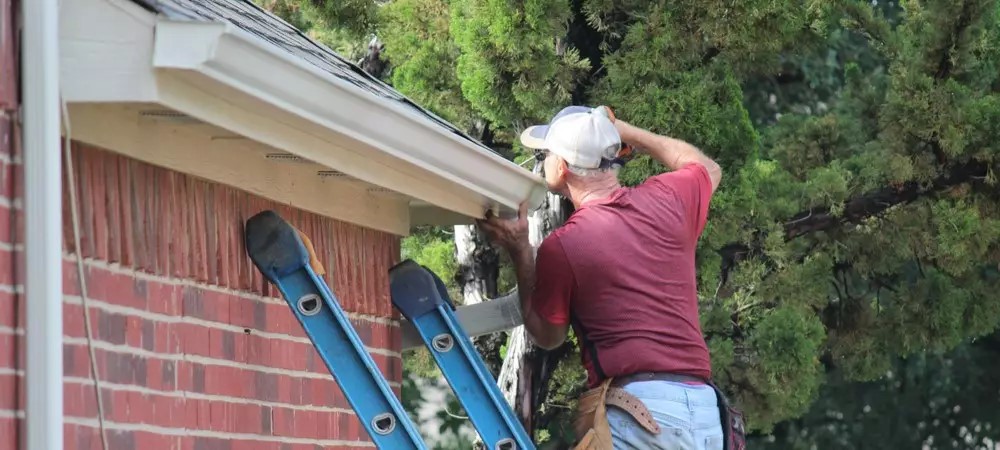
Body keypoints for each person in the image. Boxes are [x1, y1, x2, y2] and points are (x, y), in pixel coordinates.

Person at [476, 105, 726, 450]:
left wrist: (520, 251)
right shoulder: (670, 200)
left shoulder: (565, 246)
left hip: (641, 416)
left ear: (561, 167)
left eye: (546, 154)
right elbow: (706, 168)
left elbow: (547, 335)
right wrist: (623, 129)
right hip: (705, 412)